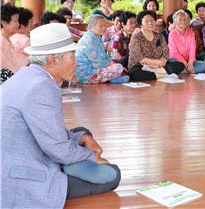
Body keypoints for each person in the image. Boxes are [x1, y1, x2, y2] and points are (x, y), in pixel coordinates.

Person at [1, 23, 121, 208]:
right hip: (23, 177)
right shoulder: (40, 87)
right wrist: (91, 156)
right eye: (72, 57)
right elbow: (56, 147)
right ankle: (68, 167)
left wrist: (82, 138)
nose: (76, 62)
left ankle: (72, 163)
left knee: (82, 131)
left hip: (26, 151)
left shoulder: (29, 75)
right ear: (52, 60)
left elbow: (47, 128)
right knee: (112, 175)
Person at [128, 11, 185, 81]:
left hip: (159, 65)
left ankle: (157, 74)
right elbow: (139, 58)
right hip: (141, 66)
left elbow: (166, 52)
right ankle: (161, 74)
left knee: (180, 65)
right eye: (146, 21)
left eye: (152, 20)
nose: (150, 23)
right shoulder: (136, 37)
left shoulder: (159, 36)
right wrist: (156, 63)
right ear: (140, 23)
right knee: (135, 74)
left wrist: (162, 62)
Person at [74, 15, 127, 84]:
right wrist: (117, 67)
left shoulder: (96, 37)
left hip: (95, 69)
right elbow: (98, 64)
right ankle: (110, 78)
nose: (104, 28)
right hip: (85, 74)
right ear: (91, 26)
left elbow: (105, 57)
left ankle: (112, 78)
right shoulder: (89, 40)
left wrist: (112, 62)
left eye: (105, 25)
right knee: (118, 68)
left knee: (118, 66)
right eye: (101, 26)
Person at [168, 9, 205, 74]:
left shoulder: (191, 33)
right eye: (180, 20)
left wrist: (190, 63)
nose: (183, 22)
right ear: (175, 21)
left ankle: (185, 71)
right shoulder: (172, 34)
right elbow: (174, 52)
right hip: (177, 61)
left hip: (189, 61)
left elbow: (192, 49)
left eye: (185, 19)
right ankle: (188, 70)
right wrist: (184, 63)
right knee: (174, 62)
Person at [1, 4, 21, 82]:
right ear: (4, 23)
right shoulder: (1, 44)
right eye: (15, 21)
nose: (18, 24)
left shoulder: (8, 41)